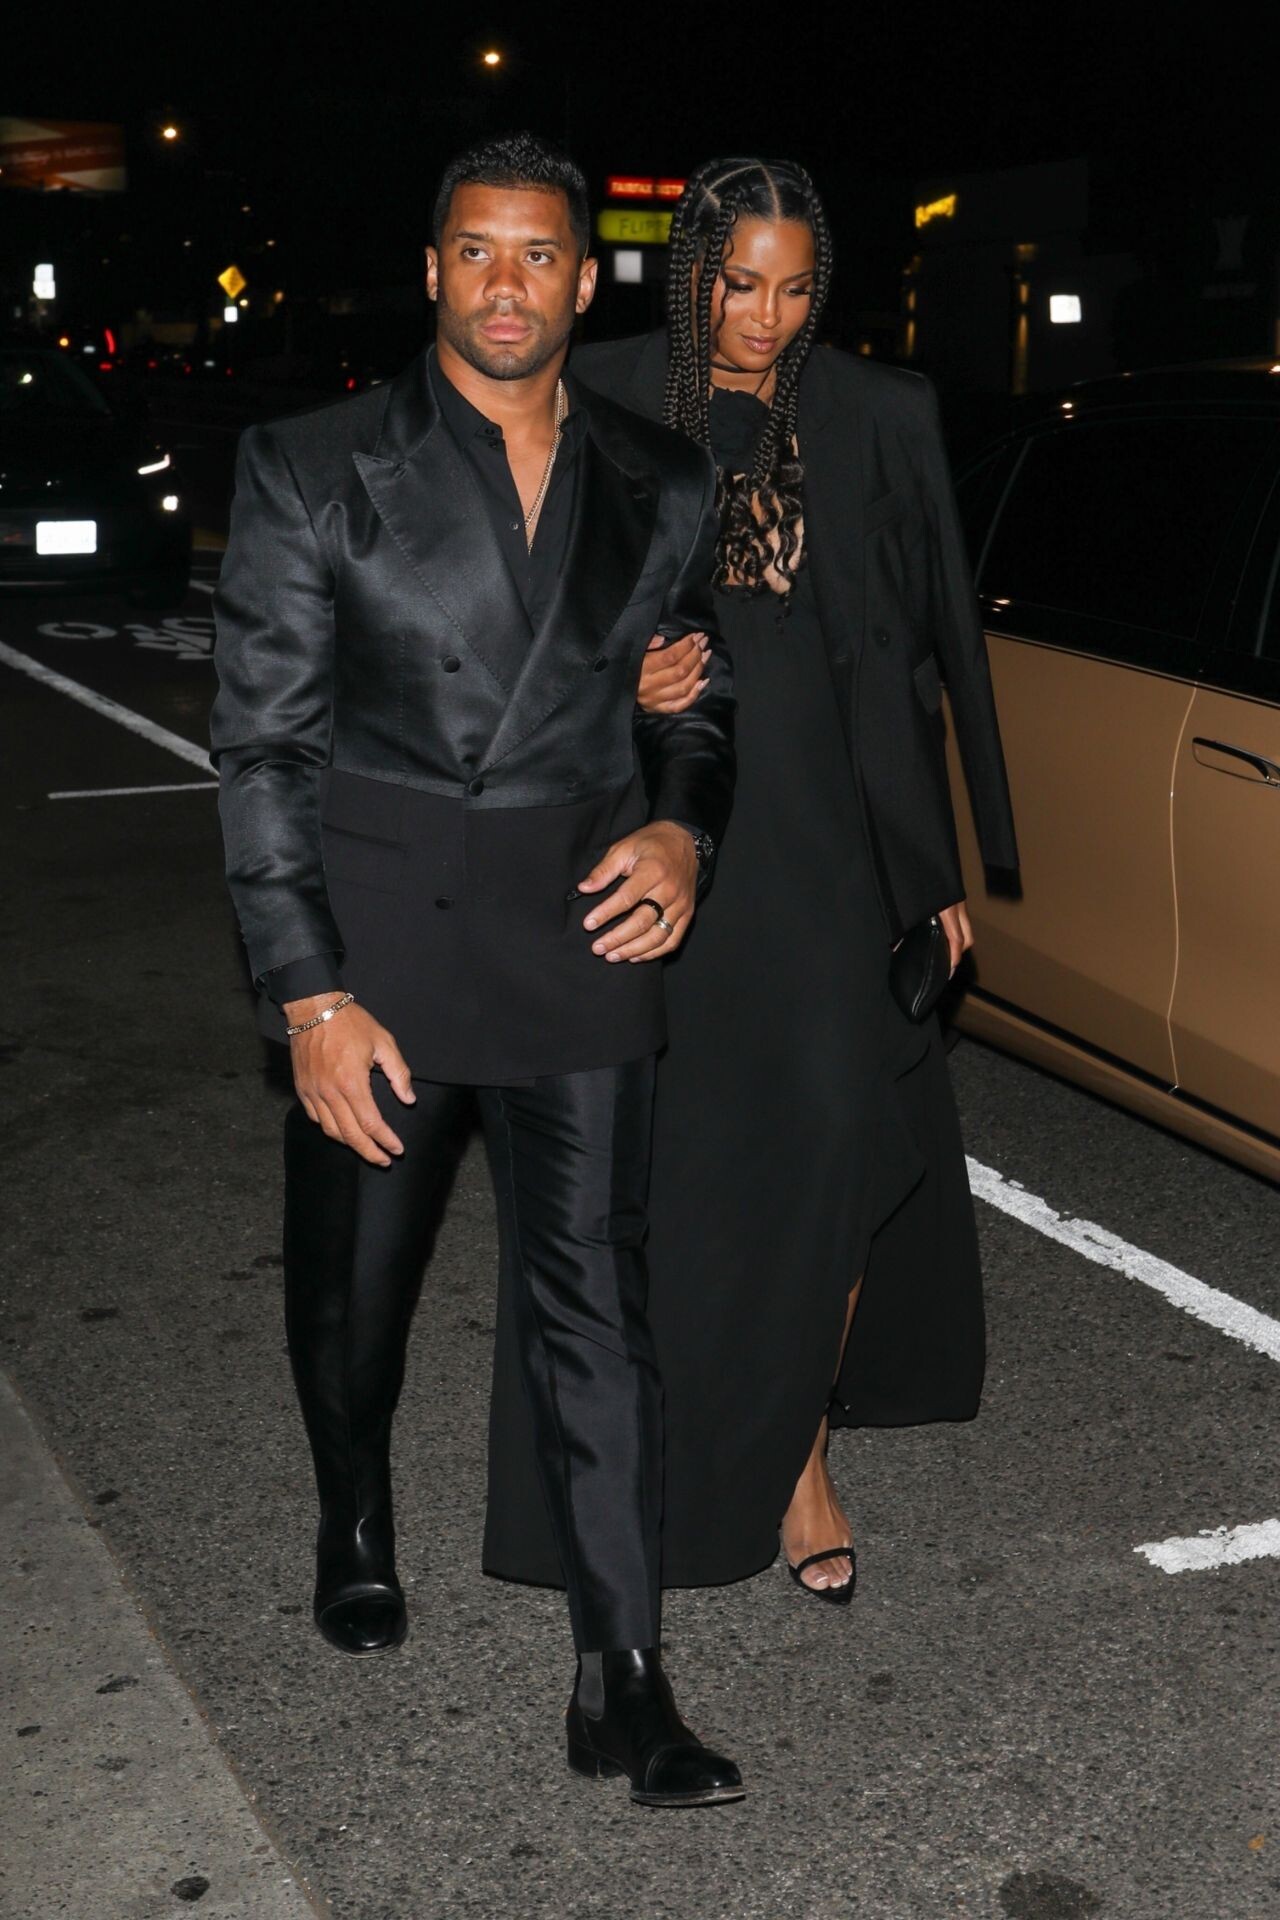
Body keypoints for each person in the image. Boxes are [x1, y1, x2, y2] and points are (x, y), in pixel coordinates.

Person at [210, 132, 745, 1809]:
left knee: (598, 1308)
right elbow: (264, 751)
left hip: (578, 920)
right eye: (477, 252)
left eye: (540, 256)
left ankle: (624, 1678)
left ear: (588, 280)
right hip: (381, 944)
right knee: (355, 1297)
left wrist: (685, 829)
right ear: (432, 268)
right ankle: (355, 1511)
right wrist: (309, 993)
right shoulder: (312, 465)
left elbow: (699, 696)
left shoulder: (664, 476)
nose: (508, 286)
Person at [483, 157, 1018, 1603]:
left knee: (837, 1150)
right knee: (685, 1168)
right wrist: (615, 683)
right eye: (737, 285)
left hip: (830, 849)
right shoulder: (598, 393)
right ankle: (659, 1441)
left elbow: (908, 661)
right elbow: (507, 616)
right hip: (664, 829)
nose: (764, 319)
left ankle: (800, 1456)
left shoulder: (875, 412)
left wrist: (929, 867)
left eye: (792, 289)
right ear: (692, 274)